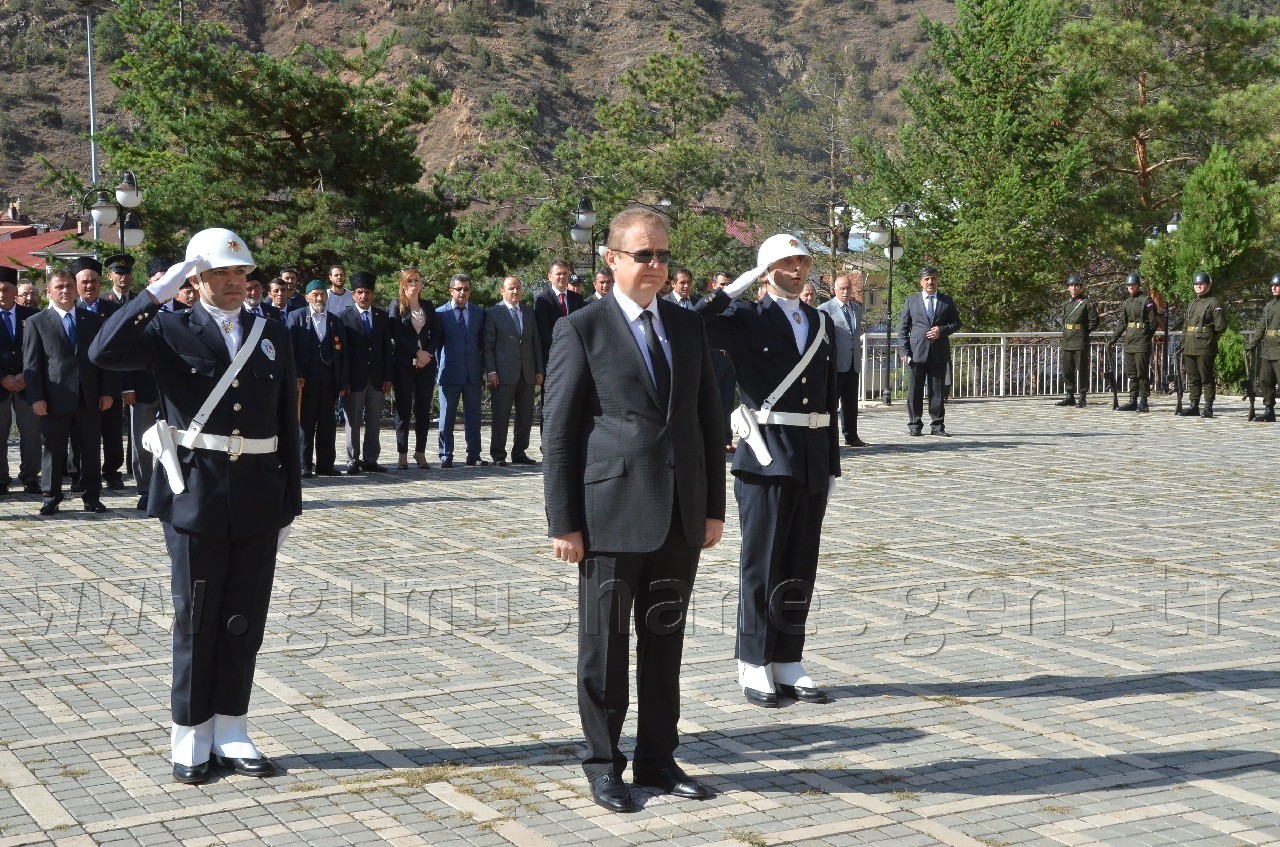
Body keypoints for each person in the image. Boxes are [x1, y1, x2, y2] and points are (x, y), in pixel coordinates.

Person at [90, 228, 301, 785]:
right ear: (197, 278)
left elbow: (287, 423)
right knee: (197, 618)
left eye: (241, 274)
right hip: (196, 494)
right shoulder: (166, 326)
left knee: (243, 618)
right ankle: (189, 735)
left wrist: (290, 503)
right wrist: (157, 293)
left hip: (258, 494)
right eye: (220, 274)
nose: (234, 283)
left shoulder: (270, 331)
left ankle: (233, 728)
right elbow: (102, 350)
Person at [544, 207, 724, 813]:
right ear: (612, 259)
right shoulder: (582, 329)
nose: (656, 265)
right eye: (643, 254)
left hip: (679, 512)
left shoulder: (686, 326)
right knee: (604, 645)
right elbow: (561, 432)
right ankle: (603, 763)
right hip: (610, 513)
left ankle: (656, 758)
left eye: (664, 255)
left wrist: (713, 507)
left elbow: (707, 421)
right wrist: (563, 521)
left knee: (664, 642)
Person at [696, 233, 839, 707]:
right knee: (763, 562)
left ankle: (787, 657)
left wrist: (830, 461)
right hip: (765, 454)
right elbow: (688, 325)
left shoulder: (820, 321)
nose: (797, 270)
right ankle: (753, 659)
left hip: (811, 454)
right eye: (786, 262)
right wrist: (729, 292)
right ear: (765, 269)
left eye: (802, 261)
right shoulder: (744, 318)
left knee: (801, 560)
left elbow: (826, 396)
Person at [23, 268, 115, 515]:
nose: (64, 291)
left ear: (75, 289)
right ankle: (51, 496)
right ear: (49, 292)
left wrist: (106, 392)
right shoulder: (36, 322)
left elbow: (102, 360)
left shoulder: (93, 320)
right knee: (53, 449)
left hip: (89, 396)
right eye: (59, 287)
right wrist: (37, 398)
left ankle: (91, 496)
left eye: (68, 286)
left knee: (91, 448)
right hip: (54, 398)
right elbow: (32, 365)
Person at [71, 257, 126, 492]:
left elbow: (118, 352)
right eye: (84, 281)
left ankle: (112, 471)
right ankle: (78, 473)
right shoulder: (70, 310)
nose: (89, 286)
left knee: (112, 431)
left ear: (101, 282)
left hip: (108, 379)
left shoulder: (113, 310)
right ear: (76, 284)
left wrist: (109, 389)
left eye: (93, 281)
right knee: (78, 433)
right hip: (80, 384)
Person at [287, 280, 349, 476]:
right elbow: (289, 350)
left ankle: (325, 465)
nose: (319, 298)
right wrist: (296, 374)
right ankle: (304, 464)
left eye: (322, 294)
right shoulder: (296, 318)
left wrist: (342, 381)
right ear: (307, 298)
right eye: (315, 295)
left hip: (328, 381)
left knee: (327, 424)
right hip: (305, 382)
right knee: (306, 423)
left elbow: (343, 353)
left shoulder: (335, 321)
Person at [337, 272, 394, 474]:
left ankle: (370, 459)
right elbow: (342, 354)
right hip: (355, 379)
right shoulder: (344, 318)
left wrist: (388, 377)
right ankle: (352, 459)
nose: (364, 296)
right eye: (360, 292)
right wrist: (345, 381)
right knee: (352, 421)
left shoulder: (382, 317)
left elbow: (387, 349)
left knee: (374, 420)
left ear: (373, 294)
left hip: (377, 378)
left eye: (367, 292)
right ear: (353, 295)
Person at [483, 276, 542, 466]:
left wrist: (539, 369)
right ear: (502, 291)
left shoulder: (529, 312)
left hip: (527, 372)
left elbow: (535, 344)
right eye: (511, 288)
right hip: (503, 373)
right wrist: (491, 371)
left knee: (525, 416)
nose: (515, 291)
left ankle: (520, 452)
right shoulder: (493, 313)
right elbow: (488, 346)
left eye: (518, 288)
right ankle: (498, 454)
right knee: (501, 416)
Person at [900, 266, 961, 436]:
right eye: (926, 279)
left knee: (937, 392)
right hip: (916, 352)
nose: (930, 282)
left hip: (939, 352)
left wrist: (941, 330)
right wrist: (904, 351)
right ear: (921, 282)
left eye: (933, 278)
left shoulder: (946, 301)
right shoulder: (911, 300)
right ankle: (914, 424)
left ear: (937, 281)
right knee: (914, 391)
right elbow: (903, 328)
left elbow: (956, 323)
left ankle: (937, 426)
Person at [388, 267, 438, 470]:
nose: (414, 284)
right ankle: (402, 454)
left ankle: (420, 452)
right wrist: (415, 352)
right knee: (404, 409)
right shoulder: (397, 305)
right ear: (403, 284)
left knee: (423, 409)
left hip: (426, 363)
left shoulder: (427, 305)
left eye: (417, 280)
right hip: (404, 363)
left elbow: (436, 334)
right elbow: (396, 334)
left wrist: (427, 353)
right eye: (410, 281)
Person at [435, 274, 486, 467]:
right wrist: (439, 369)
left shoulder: (478, 313)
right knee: (446, 418)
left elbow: (481, 343)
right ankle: (445, 454)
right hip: (449, 372)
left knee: (473, 417)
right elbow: (436, 345)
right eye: (458, 289)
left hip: (472, 372)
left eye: (466, 289)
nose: (462, 292)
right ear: (451, 291)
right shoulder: (440, 314)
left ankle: (474, 454)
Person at [0, 266, 41, 495]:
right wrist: (3, 377)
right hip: (1, 385)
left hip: (27, 384)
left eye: (5, 289)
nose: (1, 294)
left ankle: (30, 476)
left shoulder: (31, 316)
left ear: (15, 291)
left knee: (31, 433)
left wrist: (26, 375)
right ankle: (1, 478)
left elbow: (40, 350)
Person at [819, 273, 867, 447]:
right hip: (835, 363)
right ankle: (829, 437)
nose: (846, 292)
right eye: (842, 289)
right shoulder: (825, 309)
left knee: (850, 404)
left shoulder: (856, 309)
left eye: (848, 288)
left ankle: (852, 436)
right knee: (831, 403)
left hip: (853, 363)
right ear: (835, 290)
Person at [1178, 271, 1227, 418]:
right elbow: (1186, 326)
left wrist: (1209, 336)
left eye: (1201, 284)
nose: (1198, 286)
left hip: (1205, 345)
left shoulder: (1214, 303)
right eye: (1196, 284)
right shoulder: (1192, 304)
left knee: (1206, 377)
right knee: (1193, 377)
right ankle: (1194, 405)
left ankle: (1208, 406)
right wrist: (1183, 343)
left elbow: (1221, 326)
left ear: (1208, 285)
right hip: (1190, 344)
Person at [1109, 273, 1158, 412]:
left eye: (1133, 285)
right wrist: (1113, 339)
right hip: (1130, 341)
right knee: (1131, 373)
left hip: (1142, 341)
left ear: (1138, 286)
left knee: (1141, 372)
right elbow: (1121, 323)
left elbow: (1153, 323)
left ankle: (1143, 400)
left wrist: (1145, 337)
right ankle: (1132, 399)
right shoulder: (1127, 302)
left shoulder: (1146, 300)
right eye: (1129, 286)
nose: (1130, 288)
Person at [1055, 274, 1100, 408]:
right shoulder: (1066, 305)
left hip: (1080, 341)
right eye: (1071, 286)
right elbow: (1064, 321)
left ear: (1080, 288)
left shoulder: (1086, 303)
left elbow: (1094, 321)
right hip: (1067, 340)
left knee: (1082, 369)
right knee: (1067, 370)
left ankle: (1082, 396)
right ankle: (1070, 395)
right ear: (1068, 288)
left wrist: (1083, 332)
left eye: (1076, 286)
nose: (1074, 288)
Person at [534, 260, 585, 367]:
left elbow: (582, 324)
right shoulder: (542, 300)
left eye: (565, 273)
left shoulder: (577, 298)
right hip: (553, 356)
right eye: (558, 274)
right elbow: (543, 330)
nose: (562, 276)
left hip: (575, 354)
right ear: (550, 276)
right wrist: (561, 346)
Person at [1248, 274, 1280, 422]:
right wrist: (1252, 344)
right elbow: (1261, 327)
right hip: (1268, 349)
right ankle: (1269, 410)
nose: (1273, 288)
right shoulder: (1269, 306)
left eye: (1277, 285)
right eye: (1272, 285)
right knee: (1265, 380)